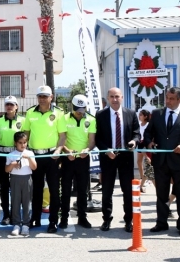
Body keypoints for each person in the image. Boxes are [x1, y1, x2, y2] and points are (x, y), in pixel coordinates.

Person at [143, 87, 180, 236]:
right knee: (161, 195)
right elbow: (148, 133)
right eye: (167, 98)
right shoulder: (157, 114)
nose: (168, 101)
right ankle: (161, 223)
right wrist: (149, 143)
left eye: (172, 99)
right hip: (161, 162)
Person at [95, 88, 140, 232]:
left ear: (122, 97)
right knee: (107, 191)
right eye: (112, 97)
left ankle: (128, 221)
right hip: (108, 157)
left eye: (117, 96)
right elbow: (98, 138)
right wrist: (106, 150)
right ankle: (106, 219)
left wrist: (134, 141)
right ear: (108, 98)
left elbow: (136, 133)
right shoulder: (101, 115)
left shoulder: (131, 113)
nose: (114, 99)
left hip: (125, 157)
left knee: (127, 191)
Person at [21, 85, 64, 233]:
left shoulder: (58, 113)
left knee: (53, 189)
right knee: (37, 190)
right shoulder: (30, 112)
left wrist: (59, 150)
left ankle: (53, 221)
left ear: (51, 97)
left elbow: (63, 135)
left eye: (45, 96)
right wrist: (25, 151)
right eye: (40, 96)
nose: (42, 99)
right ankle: (35, 219)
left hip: (52, 156)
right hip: (35, 156)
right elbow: (25, 133)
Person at [58, 95, 97, 229]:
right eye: (77, 110)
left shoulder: (91, 119)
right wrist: (67, 151)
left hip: (83, 159)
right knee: (66, 190)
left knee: (82, 190)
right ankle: (63, 218)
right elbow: (61, 138)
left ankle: (82, 217)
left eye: (82, 110)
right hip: (68, 159)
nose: (80, 113)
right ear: (72, 107)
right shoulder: (64, 118)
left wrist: (87, 149)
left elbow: (92, 141)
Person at [0, 95, 25, 225]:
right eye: (7, 104)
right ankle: (6, 214)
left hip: (17, 156)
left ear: (16, 106)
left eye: (12, 104)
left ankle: (16, 213)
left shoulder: (24, 120)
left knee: (16, 187)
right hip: (2, 158)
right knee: (4, 187)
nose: (9, 107)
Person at [5, 132, 36, 237]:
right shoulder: (10, 155)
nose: (23, 145)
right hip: (15, 179)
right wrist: (12, 164)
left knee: (27, 202)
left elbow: (34, 167)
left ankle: (26, 225)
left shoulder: (30, 153)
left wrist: (29, 158)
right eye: (20, 143)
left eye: (25, 142)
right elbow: (6, 169)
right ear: (15, 143)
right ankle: (16, 224)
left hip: (27, 178)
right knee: (15, 201)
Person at [137, 109, 152, 192]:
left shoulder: (148, 125)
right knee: (139, 161)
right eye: (139, 115)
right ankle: (142, 176)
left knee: (147, 161)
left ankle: (145, 179)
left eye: (141, 115)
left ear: (145, 116)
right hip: (140, 142)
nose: (139, 116)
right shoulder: (139, 124)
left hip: (146, 143)